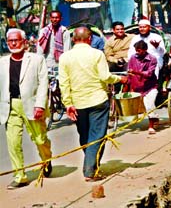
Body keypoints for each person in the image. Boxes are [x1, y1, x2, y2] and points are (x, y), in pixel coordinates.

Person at [59, 27, 127, 181]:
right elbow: (105, 76)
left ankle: (92, 165)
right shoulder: (97, 54)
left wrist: (68, 104)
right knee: (96, 136)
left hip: (77, 103)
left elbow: (63, 83)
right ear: (90, 39)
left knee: (85, 136)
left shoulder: (65, 57)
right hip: (98, 100)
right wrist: (119, 79)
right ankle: (90, 170)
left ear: (73, 39)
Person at [1, 29, 53, 189]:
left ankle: (46, 159)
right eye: (10, 41)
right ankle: (20, 176)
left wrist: (40, 105)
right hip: (10, 106)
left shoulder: (36, 60)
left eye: (16, 40)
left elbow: (44, 83)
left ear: (24, 42)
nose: (13, 43)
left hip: (31, 105)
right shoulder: (2, 62)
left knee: (40, 139)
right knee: (13, 143)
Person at [128, 41, 159, 134]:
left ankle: (151, 126)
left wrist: (136, 72)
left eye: (139, 50)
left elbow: (149, 74)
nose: (137, 52)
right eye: (136, 50)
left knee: (149, 105)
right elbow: (129, 72)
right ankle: (154, 117)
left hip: (150, 86)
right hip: (137, 85)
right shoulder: (133, 58)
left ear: (145, 50)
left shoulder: (152, 59)